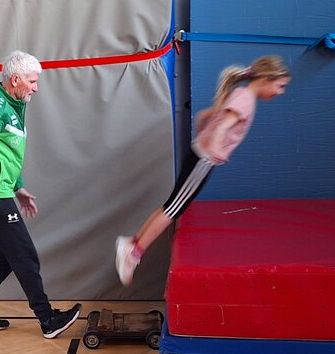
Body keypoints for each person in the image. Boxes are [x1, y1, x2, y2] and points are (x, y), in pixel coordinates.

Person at [115, 55, 291, 285]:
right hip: (203, 159)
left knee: (171, 205)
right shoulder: (246, 99)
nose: (280, 92)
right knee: (173, 209)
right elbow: (223, 126)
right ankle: (133, 253)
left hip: (199, 154)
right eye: (280, 85)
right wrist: (215, 149)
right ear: (267, 79)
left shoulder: (240, 94)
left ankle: (132, 244)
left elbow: (204, 116)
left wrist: (202, 140)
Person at [0, 50, 82, 339]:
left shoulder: (14, 103)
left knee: (7, 255)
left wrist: (19, 187)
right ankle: (47, 319)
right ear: (15, 80)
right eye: (32, 81)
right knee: (25, 255)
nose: (36, 88)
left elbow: (4, 152)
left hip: (0, 190)